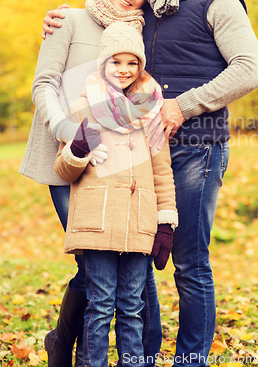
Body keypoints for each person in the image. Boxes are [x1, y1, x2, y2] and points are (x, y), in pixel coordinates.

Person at [42, 0, 258, 367]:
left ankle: (189, 359)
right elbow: (110, 12)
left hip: (195, 147)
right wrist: (61, 17)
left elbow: (249, 69)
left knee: (188, 262)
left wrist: (183, 105)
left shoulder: (219, 0)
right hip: (136, 150)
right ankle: (139, 355)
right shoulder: (153, 3)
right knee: (132, 260)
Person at [19, 0, 163, 367]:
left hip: (117, 167)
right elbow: (44, 82)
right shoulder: (69, 20)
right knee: (91, 256)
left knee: (117, 263)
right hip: (67, 157)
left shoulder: (139, 35)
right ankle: (68, 347)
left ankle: (82, 349)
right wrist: (68, 131)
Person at [54, 22, 178, 367]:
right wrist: (77, 149)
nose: (124, 70)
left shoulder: (152, 111)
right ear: (102, 63)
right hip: (98, 222)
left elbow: (162, 172)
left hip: (139, 223)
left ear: (140, 66)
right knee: (100, 304)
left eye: (132, 63)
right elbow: (64, 170)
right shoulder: (82, 108)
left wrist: (165, 222)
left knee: (132, 306)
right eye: (116, 62)